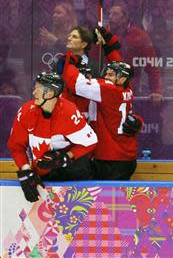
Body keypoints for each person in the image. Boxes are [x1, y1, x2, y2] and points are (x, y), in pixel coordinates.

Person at [62, 28, 142, 180]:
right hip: (125, 155)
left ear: (121, 79)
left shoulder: (107, 90)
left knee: (107, 201)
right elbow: (119, 67)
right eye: (106, 73)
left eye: (110, 75)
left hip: (110, 158)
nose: (106, 76)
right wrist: (110, 46)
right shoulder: (126, 88)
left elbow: (76, 84)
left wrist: (70, 62)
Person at [7, 72, 98, 202]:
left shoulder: (69, 112)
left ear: (49, 94)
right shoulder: (26, 112)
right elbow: (16, 146)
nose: (34, 93)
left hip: (73, 171)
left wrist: (66, 157)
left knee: (77, 212)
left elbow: (90, 141)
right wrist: (26, 170)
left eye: (37, 89)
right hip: (43, 172)